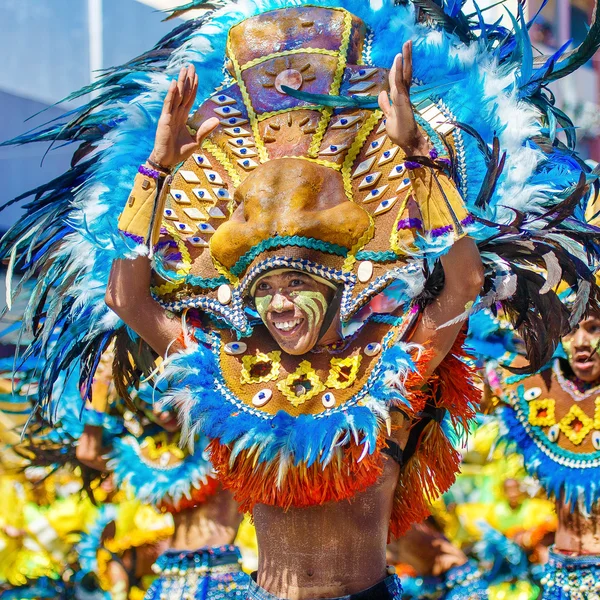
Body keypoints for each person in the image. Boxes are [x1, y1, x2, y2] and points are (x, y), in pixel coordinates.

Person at [2, 1, 600, 599]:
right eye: (262, 290)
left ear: (338, 285)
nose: (278, 304)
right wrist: (156, 169)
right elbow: (128, 299)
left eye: (294, 285)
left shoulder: (388, 365)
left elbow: (462, 283)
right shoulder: (225, 372)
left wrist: (419, 155)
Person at [485, 311, 600, 598]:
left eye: (594, 328)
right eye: (571, 330)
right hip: (561, 578)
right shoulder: (536, 388)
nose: (581, 342)